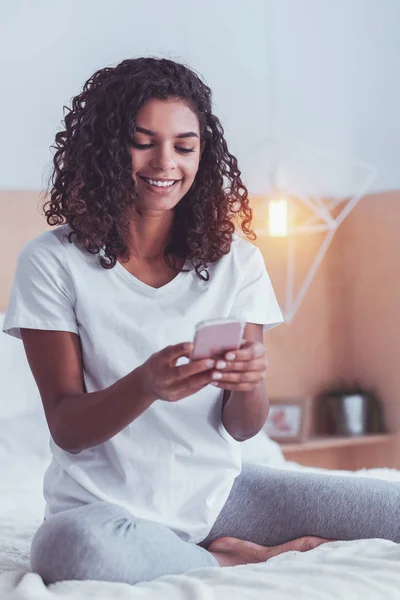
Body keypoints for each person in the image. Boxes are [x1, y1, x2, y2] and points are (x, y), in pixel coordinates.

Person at [3, 57, 400, 586]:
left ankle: (209, 544)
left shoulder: (235, 261)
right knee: (71, 552)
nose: (165, 162)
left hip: (221, 498)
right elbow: (68, 429)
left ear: (201, 154)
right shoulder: (50, 262)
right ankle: (236, 560)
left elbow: (242, 427)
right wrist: (145, 385)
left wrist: (249, 382)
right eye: (143, 141)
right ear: (102, 148)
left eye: (184, 146)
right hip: (103, 512)